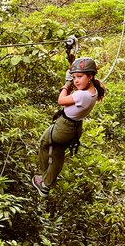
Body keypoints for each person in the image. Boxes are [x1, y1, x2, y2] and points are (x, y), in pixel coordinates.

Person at [31, 57, 105, 197]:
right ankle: (46, 184)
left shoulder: (82, 95)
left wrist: (66, 84)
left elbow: (61, 100)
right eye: (74, 77)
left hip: (64, 126)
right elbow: (77, 84)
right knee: (58, 153)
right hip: (74, 128)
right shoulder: (93, 90)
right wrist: (72, 62)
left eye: (80, 77)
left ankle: (42, 176)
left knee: (44, 143)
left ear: (90, 76)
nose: (76, 80)